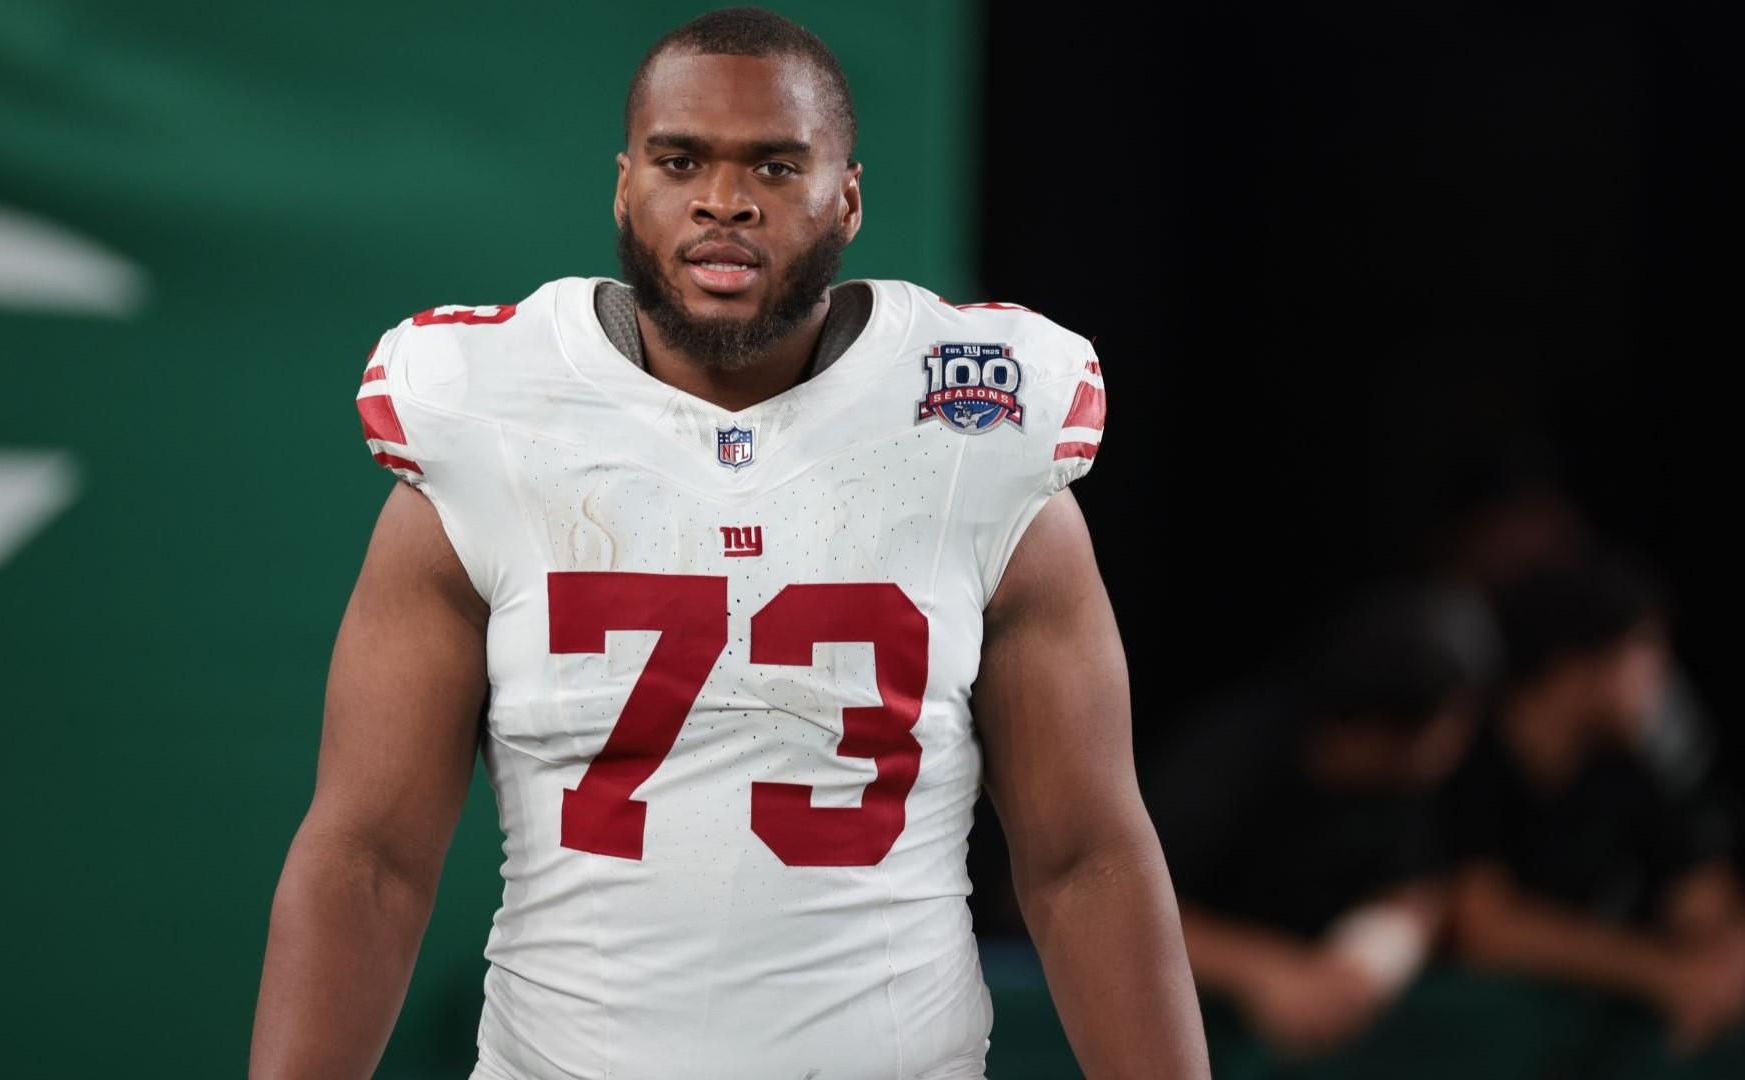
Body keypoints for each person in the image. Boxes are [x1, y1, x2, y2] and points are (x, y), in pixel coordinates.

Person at [249, 7, 1208, 1079]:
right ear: (625, 184)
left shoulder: (971, 438)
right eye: (681, 159)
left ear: (846, 198)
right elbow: (368, 860)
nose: (723, 200)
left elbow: (1085, 860)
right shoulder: (489, 427)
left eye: (775, 164)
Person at [1146, 588, 1477, 1063]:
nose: (1462, 741)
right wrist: (1264, 972)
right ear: (1381, 730)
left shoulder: (1401, 790)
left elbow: (1417, 893)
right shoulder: (1228, 762)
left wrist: (1368, 961)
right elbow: (1119, 905)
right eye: (1454, 719)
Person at [1445, 549, 1745, 1065]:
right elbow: (1485, 927)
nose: (1661, 676)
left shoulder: (1623, 766)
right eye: (1646, 649)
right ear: (1574, 669)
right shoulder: (1462, 758)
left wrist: (1720, 966)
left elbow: (1701, 896)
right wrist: (1662, 975)